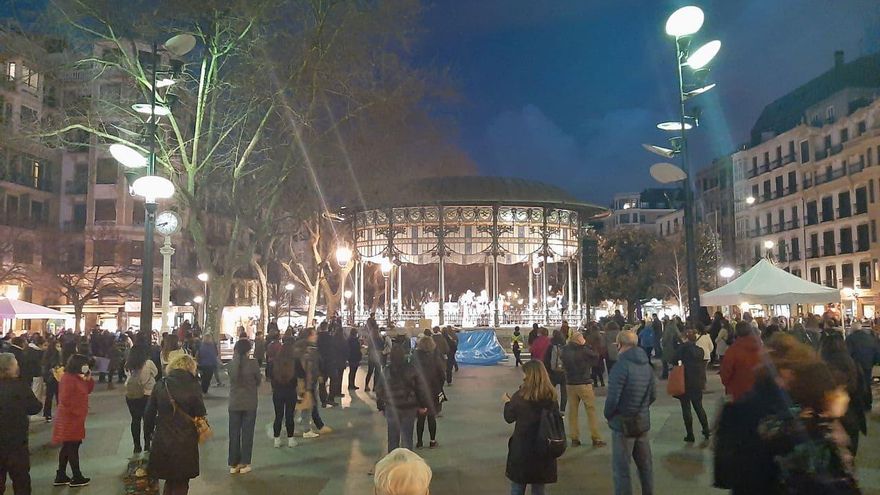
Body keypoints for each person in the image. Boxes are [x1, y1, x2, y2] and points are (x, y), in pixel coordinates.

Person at [144, 354, 207, 495]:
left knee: (170, 479)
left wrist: (147, 437)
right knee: (181, 481)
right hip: (186, 440)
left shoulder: (161, 384)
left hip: (163, 438)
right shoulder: (193, 385)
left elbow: (148, 413)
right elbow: (200, 411)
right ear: (191, 367)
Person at [605, 330, 655, 495]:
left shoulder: (621, 366)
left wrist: (609, 414)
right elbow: (652, 395)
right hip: (642, 421)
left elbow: (613, 398)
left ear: (620, 344)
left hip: (623, 423)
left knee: (622, 469)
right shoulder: (646, 365)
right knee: (645, 467)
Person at [503, 360, 559, 495]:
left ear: (529, 375)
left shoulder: (520, 396)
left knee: (517, 486)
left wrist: (507, 403)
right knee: (539, 487)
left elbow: (509, 418)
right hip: (543, 447)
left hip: (522, 448)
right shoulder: (551, 397)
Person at [0, 353, 42, 494]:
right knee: (21, 481)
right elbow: (35, 407)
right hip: (16, 442)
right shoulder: (19, 387)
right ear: (10, 367)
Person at [821, 333, 869, 455]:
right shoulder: (853, 364)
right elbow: (863, 391)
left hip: (830, 419)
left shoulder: (822, 367)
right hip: (852, 416)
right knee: (850, 455)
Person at [376, 345, 430, 452]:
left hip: (392, 408)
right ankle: (406, 464)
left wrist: (381, 405)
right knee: (407, 438)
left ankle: (392, 464)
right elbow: (420, 389)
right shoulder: (413, 369)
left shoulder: (386, 370)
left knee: (392, 439)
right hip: (409, 408)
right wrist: (423, 405)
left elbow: (379, 389)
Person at [52, 354, 95, 488]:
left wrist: (88, 379)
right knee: (72, 446)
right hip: (70, 419)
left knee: (68, 446)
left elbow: (87, 390)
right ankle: (77, 476)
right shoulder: (68, 379)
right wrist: (77, 411)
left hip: (74, 418)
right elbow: (65, 400)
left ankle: (61, 475)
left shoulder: (75, 378)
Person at [560, 330, 605, 447]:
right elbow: (596, 357)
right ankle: (595, 437)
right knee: (591, 410)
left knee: (573, 411)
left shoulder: (565, 350)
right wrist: (586, 346)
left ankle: (574, 438)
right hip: (584, 383)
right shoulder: (584, 350)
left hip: (570, 383)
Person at [227, 339, 261, 474]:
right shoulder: (253, 364)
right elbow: (258, 380)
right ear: (248, 350)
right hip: (250, 402)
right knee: (247, 433)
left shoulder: (231, 364)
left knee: (234, 434)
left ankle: (233, 464)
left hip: (234, 402)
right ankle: (245, 462)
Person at [294, 328, 331, 438]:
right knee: (308, 403)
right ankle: (310, 428)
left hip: (301, 381)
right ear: (309, 336)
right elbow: (311, 367)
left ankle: (290, 426)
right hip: (307, 381)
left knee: (301, 404)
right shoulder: (309, 350)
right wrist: (315, 377)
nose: (316, 336)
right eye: (314, 334)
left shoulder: (299, 348)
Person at [675, 330, 710, 442]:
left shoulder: (681, 350)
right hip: (697, 382)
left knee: (686, 408)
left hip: (684, 381)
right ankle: (706, 429)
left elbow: (673, 359)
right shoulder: (700, 351)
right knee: (699, 406)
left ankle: (690, 434)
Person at [124, 338, 158, 454]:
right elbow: (156, 372)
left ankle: (136, 446)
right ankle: (147, 444)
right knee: (148, 420)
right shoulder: (148, 363)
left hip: (132, 395)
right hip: (148, 395)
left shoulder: (128, 364)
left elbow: (127, 376)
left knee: (135, 420)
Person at [412, 336, 445, 449]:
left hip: (419, 391)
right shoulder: (435, 357)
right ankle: (432, 441)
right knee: (431, 417)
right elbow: (442, 375)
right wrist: (438, 387)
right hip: (433, 391)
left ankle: (419, 442)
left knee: (420, 418)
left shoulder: (414, 357)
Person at [720, 321, 763, 401]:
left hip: (738, 391)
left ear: (737, 332)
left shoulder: (733, 350)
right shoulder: (761, 348)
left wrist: (728, 384)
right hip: (759, 391)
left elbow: (725, 373)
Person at [271, 337, 298, 448]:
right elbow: (300, 376)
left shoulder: (275, 362)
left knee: (278, 416)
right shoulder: (295, 362)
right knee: (289, 416)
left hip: (277, 392)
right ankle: (290, 439)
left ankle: (277, 440)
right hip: (291, 392)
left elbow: (270, 376)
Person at [846, 321, 880, 406]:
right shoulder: (870, 337)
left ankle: (859, 403)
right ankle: (868, 402)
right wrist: (874, 362)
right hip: (868, 364)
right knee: (867, 383)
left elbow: (848, 352)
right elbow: (876, 350)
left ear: (852, 329)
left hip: (856, 365)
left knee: (857, 384)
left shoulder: (850, 338)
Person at [543, 329, 568, 415]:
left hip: (553, 373)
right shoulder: (566, 347)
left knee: (551, 391)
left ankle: (553, 408)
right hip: (563, 373)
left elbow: (546, 360)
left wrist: (547, 371)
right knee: (564, 392)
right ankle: (562, 410)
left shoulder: (551, 347)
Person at [41, 337, 63, 422]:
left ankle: (51, 414)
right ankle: (50, 414)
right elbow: (47, 366)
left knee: (55, 396)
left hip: (55, 377)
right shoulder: (52, 355)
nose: (59, 348)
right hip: (53, 377)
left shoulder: (59, 354)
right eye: (57, 346)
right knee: (52, 396)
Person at [365, 324, 384, 392]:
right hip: (378, 357)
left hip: (371, 357)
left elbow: (369, 348)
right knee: (377, 373)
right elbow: (382, 347)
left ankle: (366, 386)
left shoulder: (371, 338)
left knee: (369, 372)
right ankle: (375, 387)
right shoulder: (380, 338)